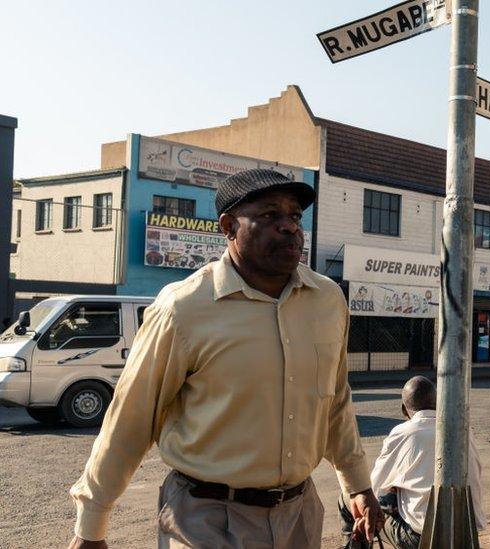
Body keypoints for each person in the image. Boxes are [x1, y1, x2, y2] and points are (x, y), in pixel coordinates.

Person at [68, 169, 382, 548]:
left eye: (295, 216)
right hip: (205, 518)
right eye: (269, 216)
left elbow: (335, 401)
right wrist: (91, 526)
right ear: (229, 226)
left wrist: (358, 484)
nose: (289, 228)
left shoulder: (328, 301)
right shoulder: (184, 307)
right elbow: (131, 418)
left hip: (299, 514)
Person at [339, 376, 486, 548]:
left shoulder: (403, 432)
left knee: (349, 498)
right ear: (437, 403)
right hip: (466, 535)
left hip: (423, 538)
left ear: (404, 410)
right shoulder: (465, 430)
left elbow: (373, 488)